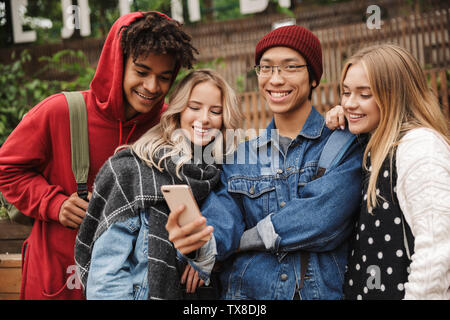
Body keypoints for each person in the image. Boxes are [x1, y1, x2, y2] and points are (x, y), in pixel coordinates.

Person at [0, 11, 198, 300]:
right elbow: (6, 168)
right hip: (59, 279)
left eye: (164, 77)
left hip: (133, 287)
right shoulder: (59, 112)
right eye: (141, 72)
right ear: (117, 64)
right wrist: (53, 203)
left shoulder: (169, 126)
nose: (152, 87)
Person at [166, 25, 364, 300]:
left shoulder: (343, 144)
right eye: (266, 68)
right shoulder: (240, 157)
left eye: (290, 67)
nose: (276, 79)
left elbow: (322, 221)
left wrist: (242, 242)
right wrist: (203, 242)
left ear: (314, 78)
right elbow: (224, 216)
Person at [74, 69, 243, 300]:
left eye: (215, 111)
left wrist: (203, 255)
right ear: (178, 111)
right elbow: (106, 276)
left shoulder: (223, 174)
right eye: (194, 107)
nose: (204, 119)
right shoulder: (134, 171)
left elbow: (228, 231)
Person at [325, 44, 449, 299]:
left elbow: (438, 250)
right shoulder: (378, 143)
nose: (349, 103)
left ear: (395, 94)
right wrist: (341, 121)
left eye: (364, 94)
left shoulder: (419, 146)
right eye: (346, 93)